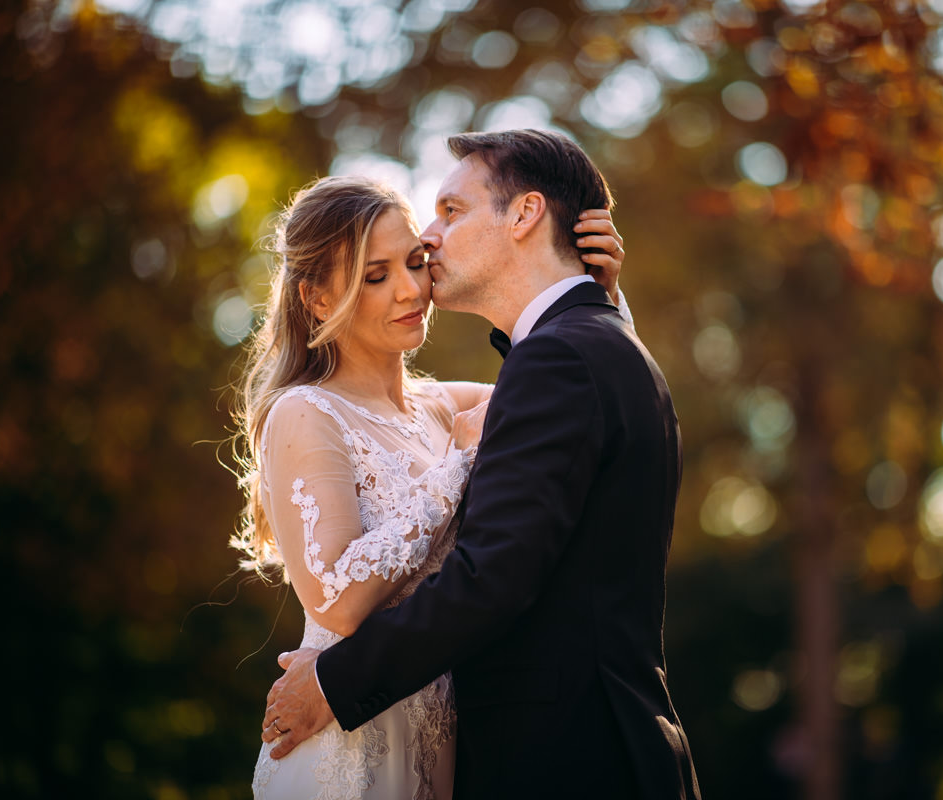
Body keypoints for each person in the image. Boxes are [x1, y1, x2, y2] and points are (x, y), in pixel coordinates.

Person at [260, 129, 701, 800]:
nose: (428, 246)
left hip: (561, 758)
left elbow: (492, 576)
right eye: (377, 275)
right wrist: (600, 302)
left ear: (524, 214)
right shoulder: (587, 355)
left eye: (450, 212)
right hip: (402, 752)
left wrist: (332, 683)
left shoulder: (550, 365)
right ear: (318, 298)